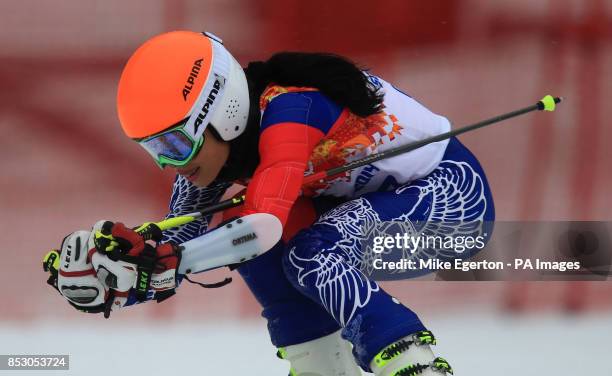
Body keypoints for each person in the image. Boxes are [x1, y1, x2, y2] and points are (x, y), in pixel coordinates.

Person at [48, 31, 495, 375]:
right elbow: (177, 250)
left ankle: (413, 363)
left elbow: (261, 226)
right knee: (251, 244)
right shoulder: (218, 150)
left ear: (220, 113)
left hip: (455, 204)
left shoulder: (290, 111)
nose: (168, 163)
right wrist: (119, 274)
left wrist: (174, 260)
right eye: (153, 149)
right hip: (383, 210)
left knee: (307, 248)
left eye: (173, 142)